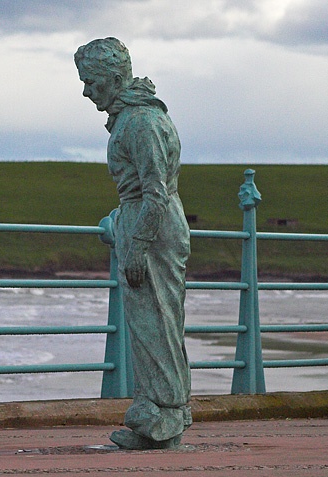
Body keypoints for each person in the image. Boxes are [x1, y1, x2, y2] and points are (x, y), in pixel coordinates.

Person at [75, 37, 192, 449]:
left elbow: (155, 191)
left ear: (111, 78)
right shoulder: (134, 118)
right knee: (152, 326)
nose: (86, 91)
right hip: (145, 221)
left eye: (90, 81)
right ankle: (156, 415)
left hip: (151, 225)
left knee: (156, 324)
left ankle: (166, 415)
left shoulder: (140, 122)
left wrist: (139, 244)